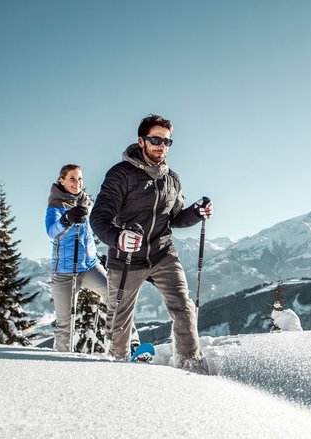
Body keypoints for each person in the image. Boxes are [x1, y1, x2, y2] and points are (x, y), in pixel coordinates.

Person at [90, 114, 213, 373]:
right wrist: (118, 237)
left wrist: (196, 212)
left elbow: (176, 218)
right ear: (141, 141)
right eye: (156, 139)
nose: (162, 146)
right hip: (126, 257)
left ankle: (191, 364)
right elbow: (99, 218)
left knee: (183, 306)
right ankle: (117, 365)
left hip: (162, 252)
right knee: (119, 318)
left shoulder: (172, 179)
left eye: (167, 141)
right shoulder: (120, 174)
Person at [46, 164, 139, 353]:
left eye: (80, 179)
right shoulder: (55, 206)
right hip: (64, 272)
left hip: (89, 267)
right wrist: (67, 219)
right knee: (65, 321)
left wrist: (97, 255)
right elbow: (52, 231)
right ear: (61, 181)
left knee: (116, 298)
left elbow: (90, 234)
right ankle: (61, 359)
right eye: (72, 178)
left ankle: (132, 344)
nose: (77, 183)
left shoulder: (85, 203)